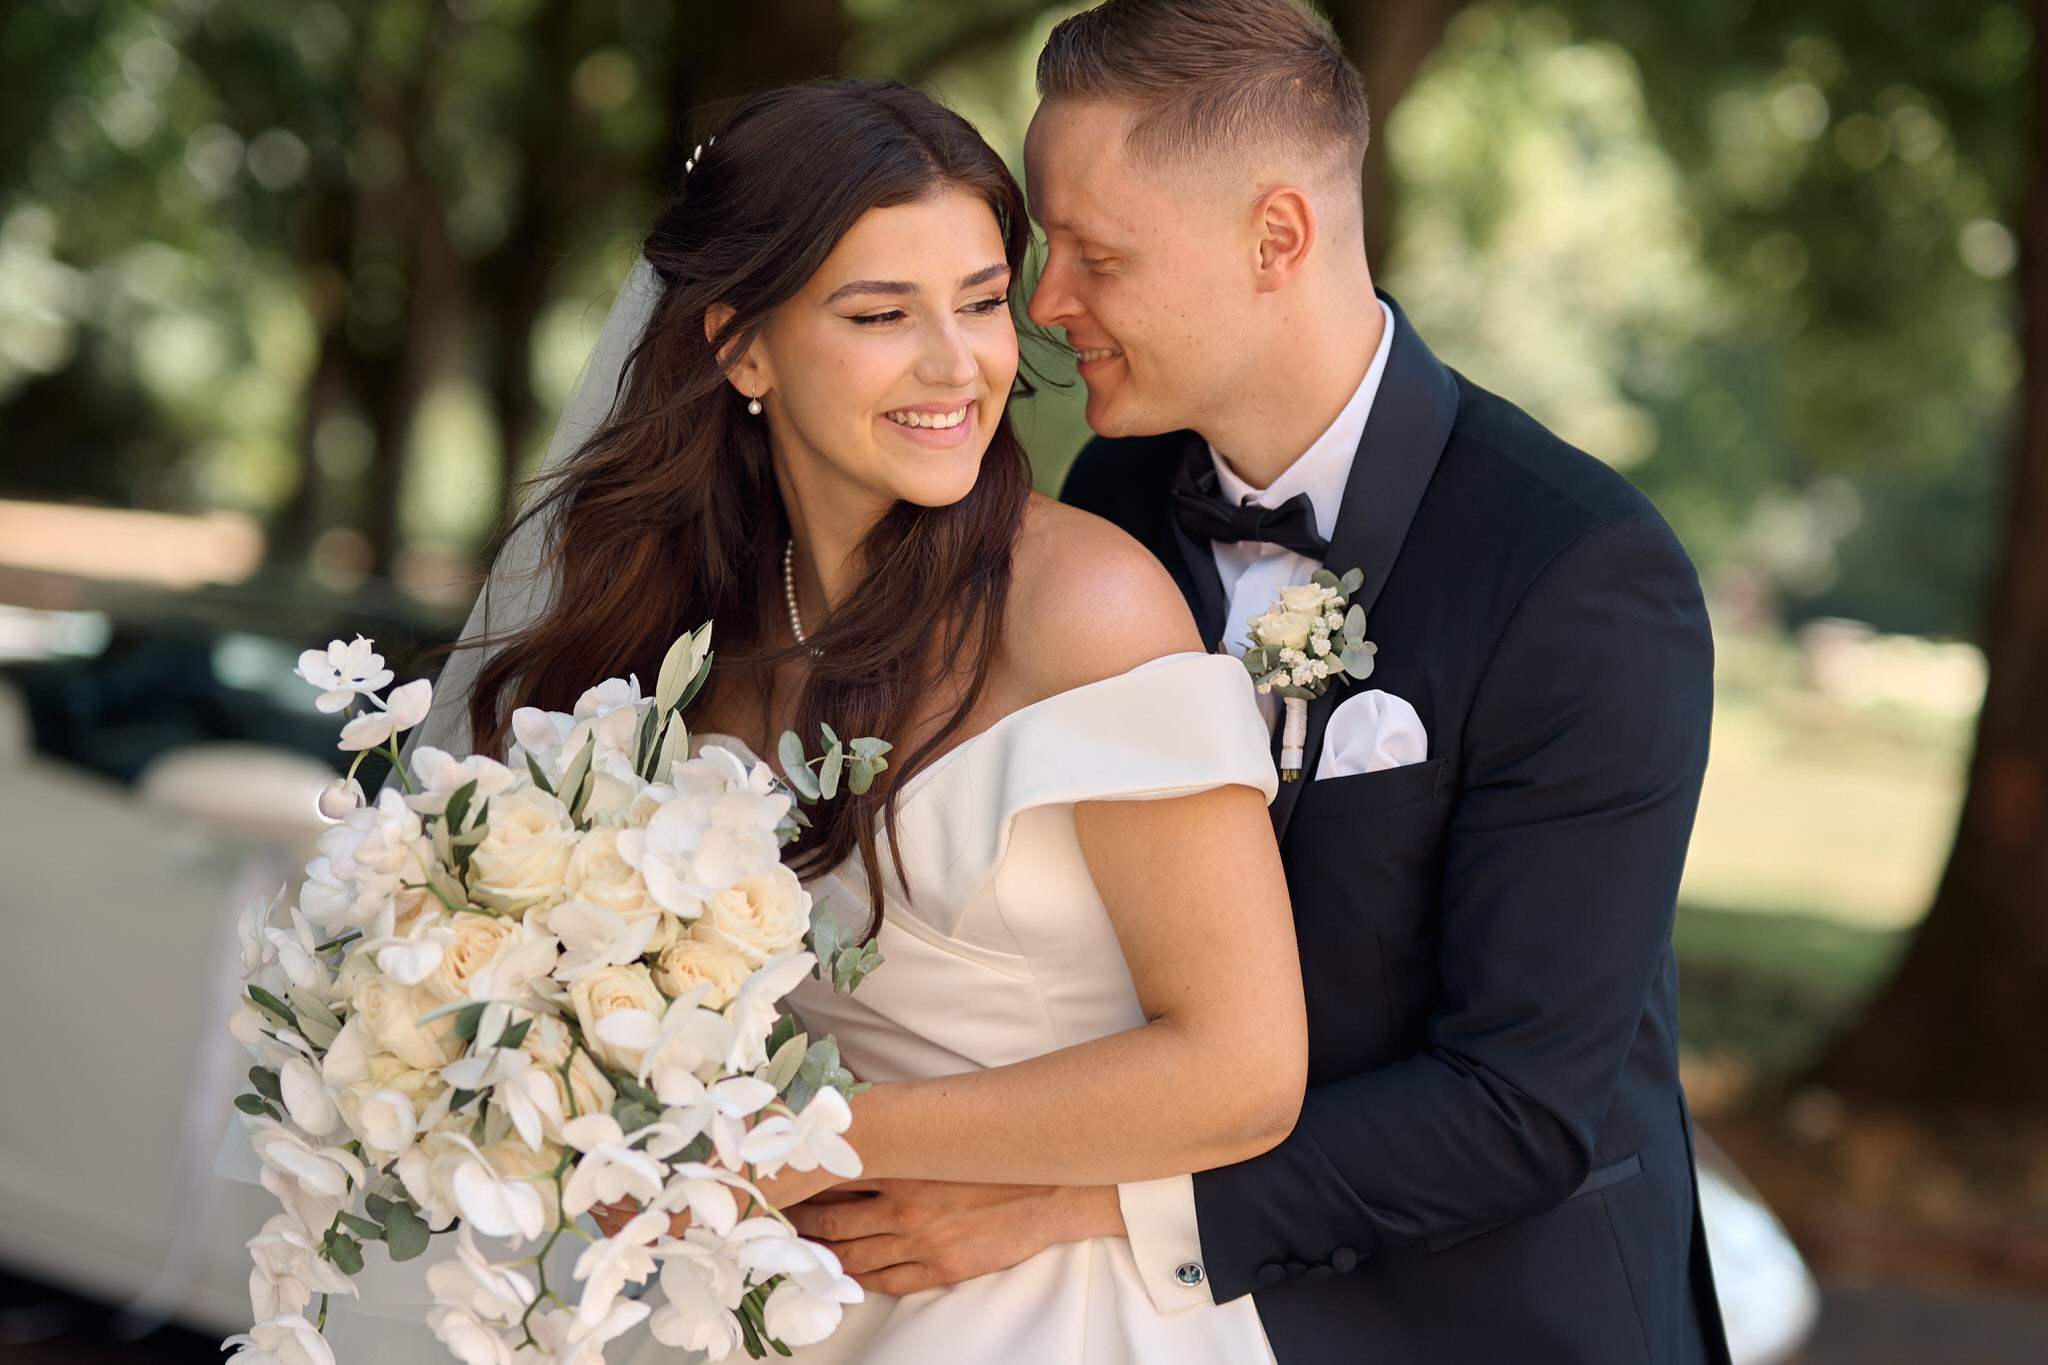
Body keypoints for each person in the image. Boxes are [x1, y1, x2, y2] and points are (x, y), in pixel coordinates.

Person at [784, 4, 1734, 1364]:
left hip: (1481, 1320)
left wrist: (1075, 1202)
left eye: (1097, 257)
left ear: (1275, 238)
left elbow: (1516, 1108)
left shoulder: (1579, 576)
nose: (1046, 306)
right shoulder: (1111, 505)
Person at [435, 79, 1308, 1363]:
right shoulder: (685, 645)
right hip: (775, 1301)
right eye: (879, 314)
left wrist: (794, 1142)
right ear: (740, 346)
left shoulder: (1086, 609)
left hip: (1054, 1314)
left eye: (978, 301)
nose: (957, 364)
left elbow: (1242, 1074)